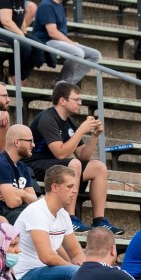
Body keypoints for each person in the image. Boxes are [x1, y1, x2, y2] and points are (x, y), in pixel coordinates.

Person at [25, 81, 119, 234]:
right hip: (34, 164)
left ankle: (99, 221)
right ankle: (70, 218)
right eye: (76, 99)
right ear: (63, 100)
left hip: (54, 165)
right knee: (73, 165)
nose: (80, 103)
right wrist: (81, 130)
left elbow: (84, 156)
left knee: (98, 167)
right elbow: (60, 153)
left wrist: (94, 136)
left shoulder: (69, 122)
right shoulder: (48, 118)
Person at [13, 164, 86, 280]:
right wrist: (76, 269)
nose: (75, 190)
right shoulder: (37, 211)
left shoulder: (63, 214)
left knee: (98, 276)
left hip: (47, 272)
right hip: (24, 275)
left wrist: (88, 269)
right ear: (55, 187)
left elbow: (75, 254)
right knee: (75, 273)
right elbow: (47, 257)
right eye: (70, 186)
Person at [32, 0, 102, 86]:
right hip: (46, 41)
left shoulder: (58, 5)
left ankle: (69, 83)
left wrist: (70, 43)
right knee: (77, 53)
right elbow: (52, 32)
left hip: (57, 41)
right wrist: (71, 43)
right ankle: (61, 82)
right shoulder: (46, 5)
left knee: (95, 55)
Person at [0, 124, 40, 222]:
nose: (33, 145)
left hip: (16, 211)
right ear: (17, 142)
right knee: (36, 220)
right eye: (30, 141)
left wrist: (20, 193)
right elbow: (12, 203)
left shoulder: (23, 167)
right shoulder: (0, 164)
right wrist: (23, 196)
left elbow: (34, 201)